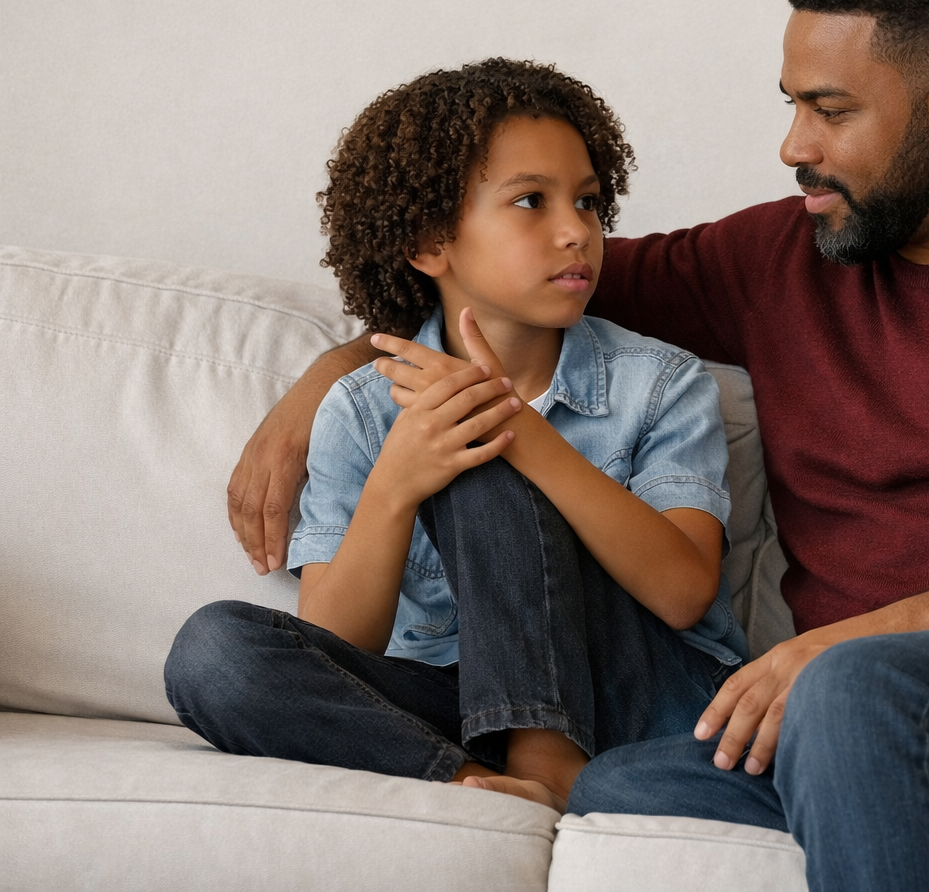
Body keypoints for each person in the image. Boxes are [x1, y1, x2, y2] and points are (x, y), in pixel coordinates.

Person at [226, 0, 929, 892]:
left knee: (860, 693)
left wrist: (870, 641)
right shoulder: (787, 255)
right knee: (615, 784)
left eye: (829, 109)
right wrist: (327, 379)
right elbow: (502, 282)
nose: (793, 144)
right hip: (847, 718)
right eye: (791, 103)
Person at [166, 58, 745, 813]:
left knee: (476, 440)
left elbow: (681, 592)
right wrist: (398, 481)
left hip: (648, 697)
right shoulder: (364, 412)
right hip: (462, 707)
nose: (577, 231)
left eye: (589, 202)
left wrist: (523, 437)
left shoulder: (660, 383)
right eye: (532, 201)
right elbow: (342, 640)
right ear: (430, 242)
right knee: (213, 653)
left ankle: (548, 762)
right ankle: (476, 787)